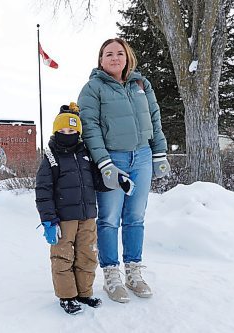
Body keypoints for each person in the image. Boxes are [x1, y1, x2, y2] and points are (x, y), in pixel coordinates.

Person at [77, 38, 170, 303]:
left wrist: (159, 153)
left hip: (142, 156)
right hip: (113, 159)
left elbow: (155, 118)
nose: (115, 58)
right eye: (109, 54)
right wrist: (104, 163)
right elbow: (90, 127)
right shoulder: (92, 88)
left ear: (128, 56)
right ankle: (111, 275)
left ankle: (134, 273)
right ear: (101, 60)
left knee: (136, 217)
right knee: (108, 219)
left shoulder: (141, 84)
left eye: (120, 53)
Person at [35, 103, 102, 315]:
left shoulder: (86, 155)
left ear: (78, 132)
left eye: (72, 131)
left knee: (87, 255)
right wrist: (48, 219)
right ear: (56, 131)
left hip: (87, 216)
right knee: (63, 257)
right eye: (63, 131)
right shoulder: (51, 157)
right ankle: (67, 296)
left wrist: (116, 179)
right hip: (64, 219)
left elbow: (98, 181)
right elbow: (43, 190)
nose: (67, 134)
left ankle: (84, 293)